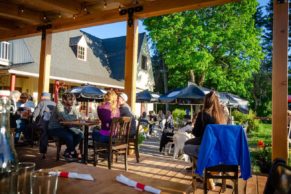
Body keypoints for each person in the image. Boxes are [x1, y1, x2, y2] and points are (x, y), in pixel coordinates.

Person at [183, 90, 226, 190]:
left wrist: (193, 129)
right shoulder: (221, 116)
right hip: (219, 150)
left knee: (186, 147)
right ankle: (212, 171)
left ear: (205, 102)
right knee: (191, 145)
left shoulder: (202, 115)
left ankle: (204, 174)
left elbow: (196, 133)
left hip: (206, 147)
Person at [48, 93, 83, 162]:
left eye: (73, 100)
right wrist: (74, 118)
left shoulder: (72, 105)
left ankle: (68, 151)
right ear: (64, 100)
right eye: (70, 100)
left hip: (65, 127)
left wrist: (73, 117)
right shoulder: (59, 105)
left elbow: (79, 116)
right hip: (54, 128)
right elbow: (65, 118)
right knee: (69, 136)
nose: (72, 102)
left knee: (80, 134)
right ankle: (71, 152)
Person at [32, 92, 56, 158]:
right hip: (53, 124)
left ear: (43, 97)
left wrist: (33, 119)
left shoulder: (41, 103)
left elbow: (36, 113)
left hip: (44, 122)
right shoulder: (54, 103)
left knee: (43, 135)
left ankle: (43, 153)